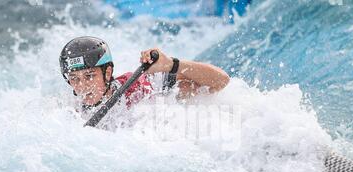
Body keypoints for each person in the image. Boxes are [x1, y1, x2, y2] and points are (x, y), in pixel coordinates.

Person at [59, 36, 230, 111]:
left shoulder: (138, 87)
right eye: (74, 79)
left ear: (108, 72)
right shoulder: (69, 112)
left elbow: (221, 81)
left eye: (89, 76)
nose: (82, 86)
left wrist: (171, 64)